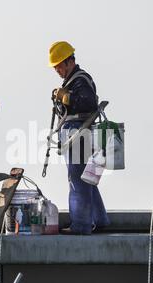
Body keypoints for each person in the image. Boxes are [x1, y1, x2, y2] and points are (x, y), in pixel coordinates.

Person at [49, 41, 110, 235]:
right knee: (87, 178)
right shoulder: (73, 81)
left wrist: (66, 97)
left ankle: (81, 225)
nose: (57, 70)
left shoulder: (80, 79)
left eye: (59, 65)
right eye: (55, 66)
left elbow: (88, 102)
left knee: (77, 179)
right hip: (78, 133)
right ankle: (99, 220)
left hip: (78, 133)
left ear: (69, 62)